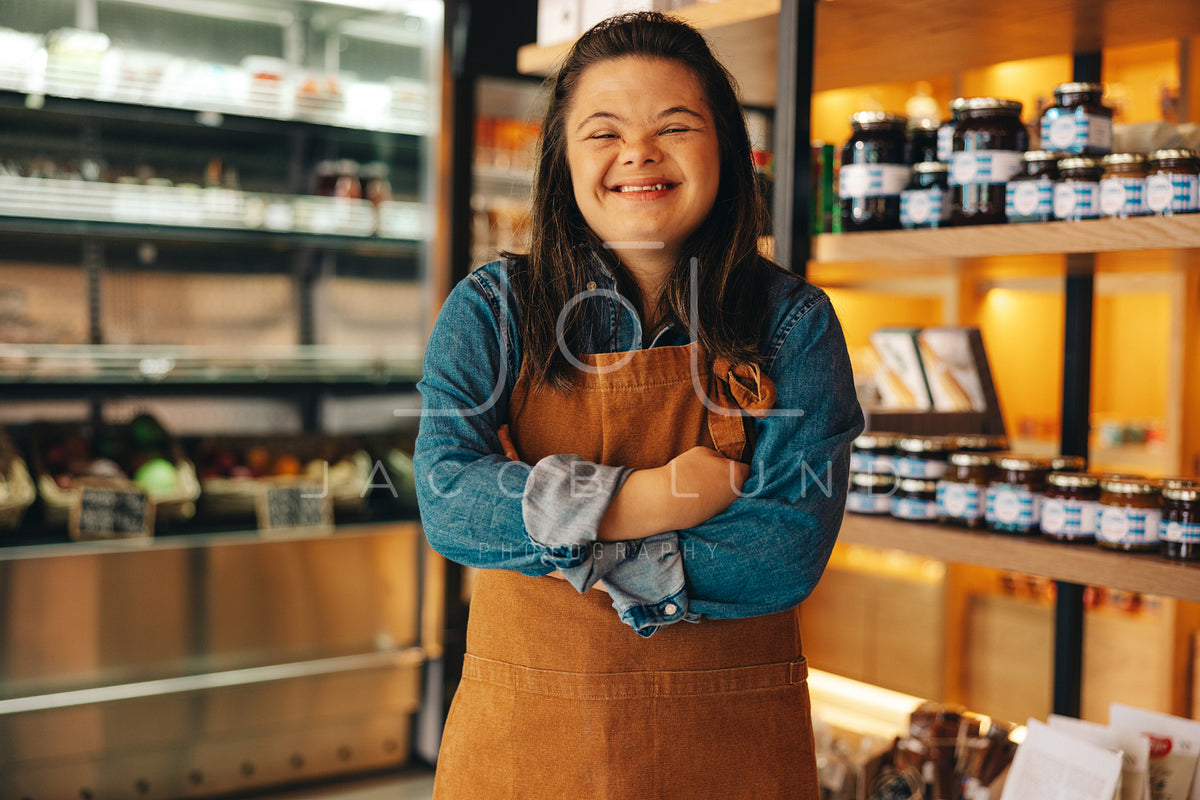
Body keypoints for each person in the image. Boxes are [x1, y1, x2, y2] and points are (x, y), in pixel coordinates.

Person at [414, 11, 864, 799]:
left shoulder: (794, 324)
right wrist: (647, 499)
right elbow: (449, 500)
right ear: (563, 158)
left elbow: (783, 549)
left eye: (674, 126)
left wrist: (553, 527)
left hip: (727, 755)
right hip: (526, 753)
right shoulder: (490, 310)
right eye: (603, 131)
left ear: (726, 147)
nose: (638, 154)